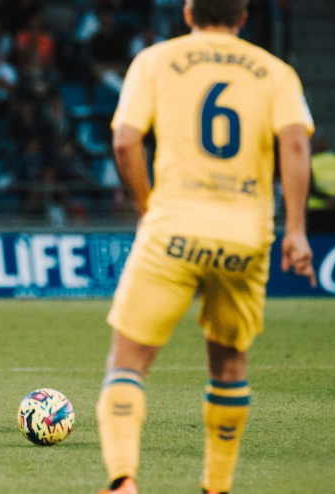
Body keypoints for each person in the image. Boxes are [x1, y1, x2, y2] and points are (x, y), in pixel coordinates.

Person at [95, 2, 317, 494]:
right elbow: (296, 146)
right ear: (243, 17)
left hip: (172, 231)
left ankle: (123, 480)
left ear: (188, 11)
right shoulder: (276, 72)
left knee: (128, 364)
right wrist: (297, 230)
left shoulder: (154, 61)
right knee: (229, 368)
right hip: (244, 238)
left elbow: (127, 141)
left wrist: (148, 207)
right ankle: (217, 486)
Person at [307, 136, 335, 234]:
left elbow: (308, 187)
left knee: (316, 244)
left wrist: (326, 199)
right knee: (334, 242)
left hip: (315, 212)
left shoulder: (310, 162)